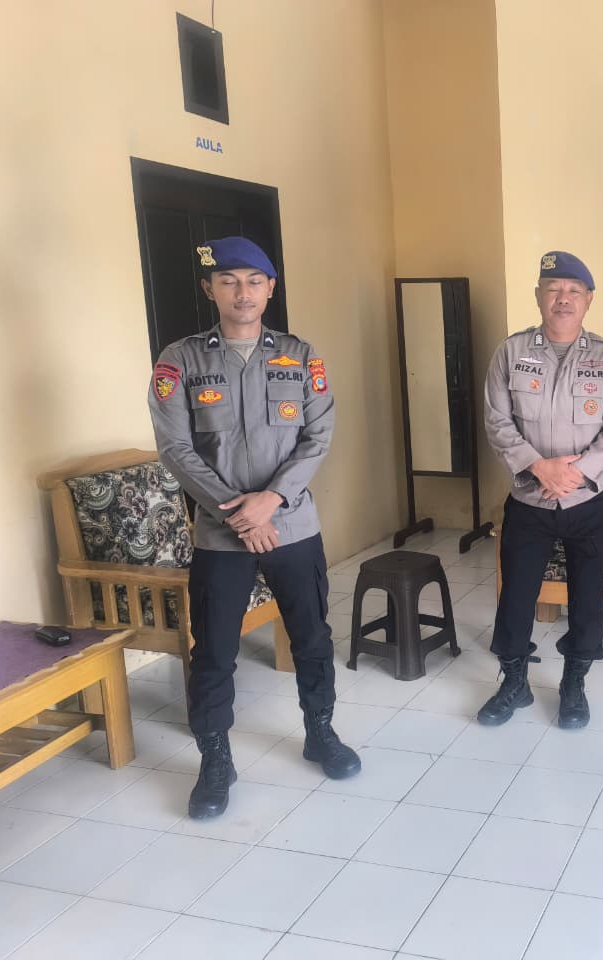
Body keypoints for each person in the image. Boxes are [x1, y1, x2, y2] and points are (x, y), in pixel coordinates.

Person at [148, 237, 360, 820]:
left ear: (271, 289)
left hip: (292, 524)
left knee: (312, 638)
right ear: (210, 289)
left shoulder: (300, 355)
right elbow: (175, 448)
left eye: (253, 281)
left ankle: (321, 732)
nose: (242, 292)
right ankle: (215, 759)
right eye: (229, 281)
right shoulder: (181, 360)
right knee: (214, 651)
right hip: (221, 535)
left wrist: (271, 500)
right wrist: (236, 512)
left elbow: (317, 436)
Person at [479, 250, 603, 729]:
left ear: (588, 299)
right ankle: (514, 682)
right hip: (529, 501)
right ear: (538, 296)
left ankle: (574, 684)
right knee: (516, 595)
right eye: (553, 289)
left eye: (572, 291)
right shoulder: (511, 353)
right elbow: (497, 420)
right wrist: (538, 467)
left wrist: (576, 474)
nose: (562, 299)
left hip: (586, 502)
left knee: (587, 598)